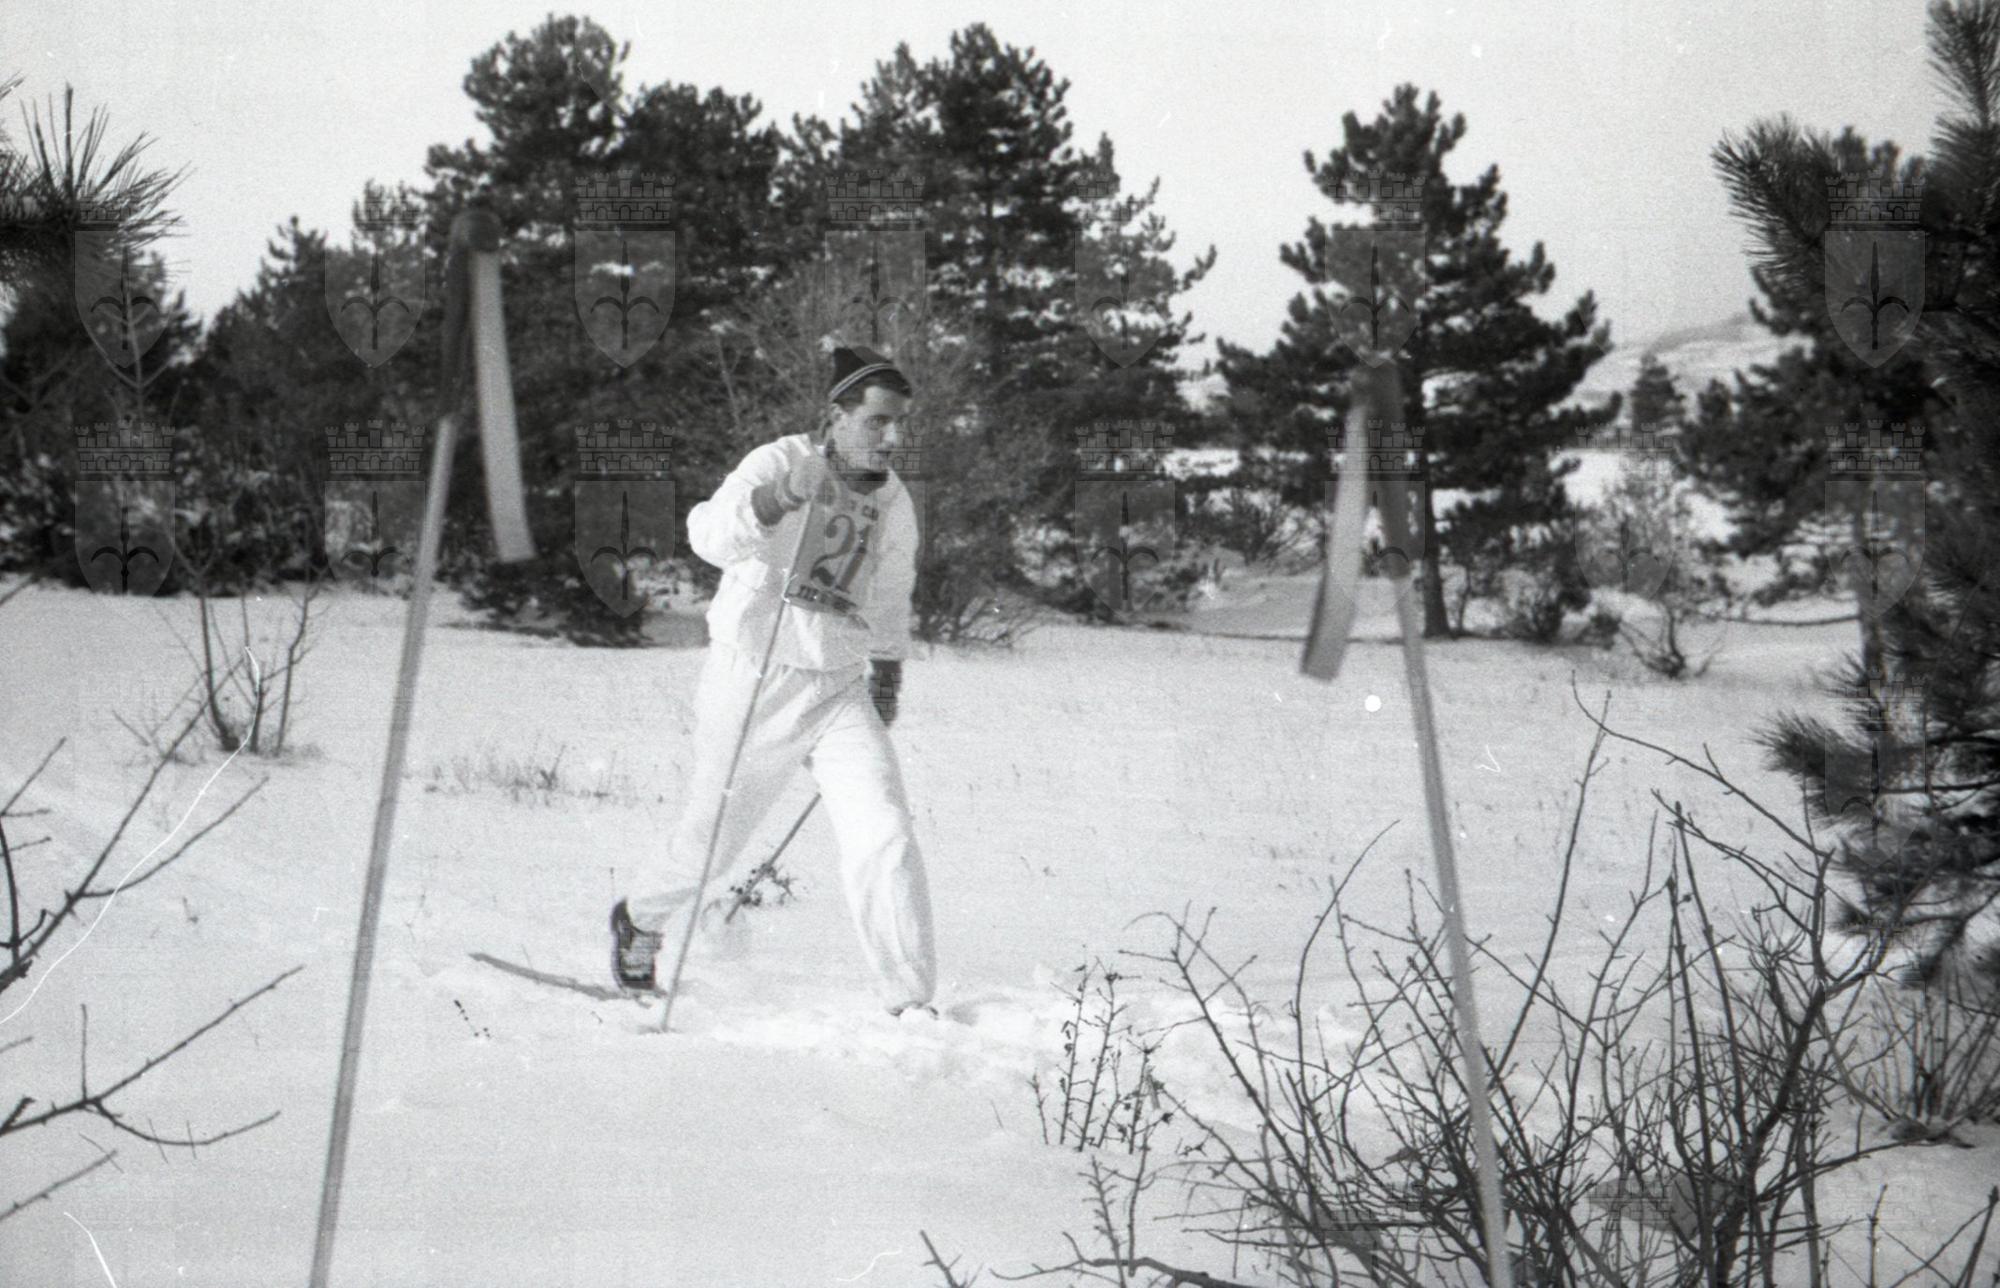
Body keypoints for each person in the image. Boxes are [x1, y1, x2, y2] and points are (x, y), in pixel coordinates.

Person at [610, 345, 936, 1017]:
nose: (893, 438)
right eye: (878, 421)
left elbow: (891, 588)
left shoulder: (893, 498)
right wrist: (778, 498)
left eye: (900, 423)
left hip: (838, 687)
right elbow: (706, 535)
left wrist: (888, 668)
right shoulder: (779, 460)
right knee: (712, 845)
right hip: (754, 678)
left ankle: (908, 999)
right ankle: (640, 917)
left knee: (885, 830)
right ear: (836, 416)